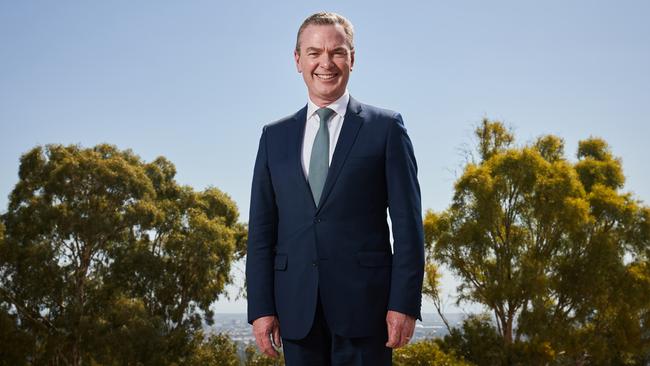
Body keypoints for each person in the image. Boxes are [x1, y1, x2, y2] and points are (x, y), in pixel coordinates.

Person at [246, 11, 424, 366]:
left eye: (337, 52)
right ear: (298, 60)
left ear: (352, 59)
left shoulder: (386, 129)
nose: (325, 63)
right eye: (314, 53)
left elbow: (408, 228)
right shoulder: (273, 138)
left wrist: (403, 303)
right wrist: (261, 308)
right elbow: (261, 232)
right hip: (296, 311)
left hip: (366, 311)